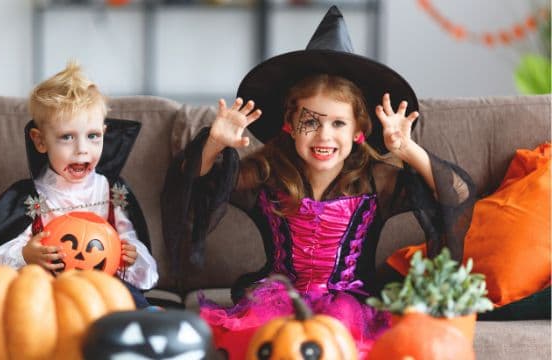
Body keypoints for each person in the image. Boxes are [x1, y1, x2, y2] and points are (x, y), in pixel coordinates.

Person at [162, 7, 476, 359]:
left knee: (338, 337)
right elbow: (194, 184)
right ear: (290, 124)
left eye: (338, 124)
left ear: (359, 130)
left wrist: (408, 149)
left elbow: (457, 193)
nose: (323, 135)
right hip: (278, 297)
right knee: (268, 341)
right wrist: (214, 144)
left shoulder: (378, 180)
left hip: (350, 302)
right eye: (310, 122)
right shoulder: (266, 173)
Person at [0, 61, 159, 305]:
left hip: (103, 288)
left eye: (93, 136)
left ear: (104, 134)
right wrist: (26, 254)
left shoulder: (111, 191)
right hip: (50, 293)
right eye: (67, 137)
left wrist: (132, 256)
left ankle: (145, 323)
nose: (82, 150)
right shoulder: (31, 197)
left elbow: (131, 240)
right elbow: (0, 256)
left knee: (127, 299)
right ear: (40, 141)